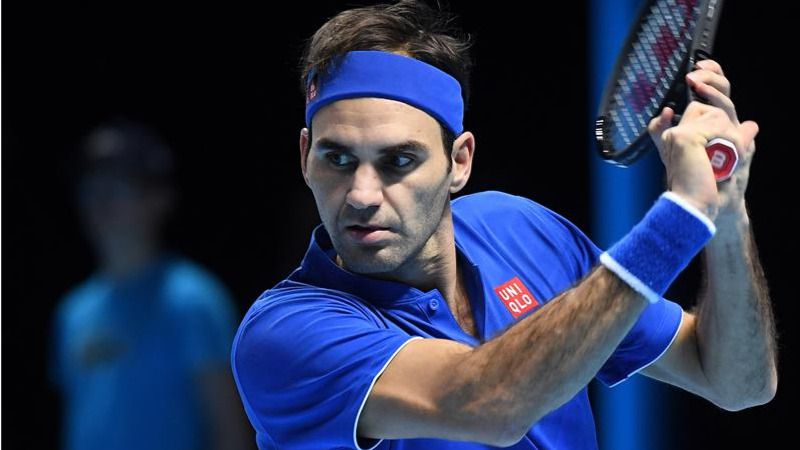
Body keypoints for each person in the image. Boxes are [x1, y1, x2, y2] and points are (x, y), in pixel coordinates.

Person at [230, 1, 778, 449]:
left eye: (398, 161)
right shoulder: (282, 336)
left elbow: (737, 383)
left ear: (459, 161)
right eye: (338, 158)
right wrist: (678, 220)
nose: (362, 195)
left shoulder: (523, 231)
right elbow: (490, 405)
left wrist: (725, 212)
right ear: (305, 157)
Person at [48, 118, 254, 450]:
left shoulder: (193, 299)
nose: (101, 198)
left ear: (160, 198)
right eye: (91, 184)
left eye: (119, 183)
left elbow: (229, 431)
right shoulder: (72, 311)